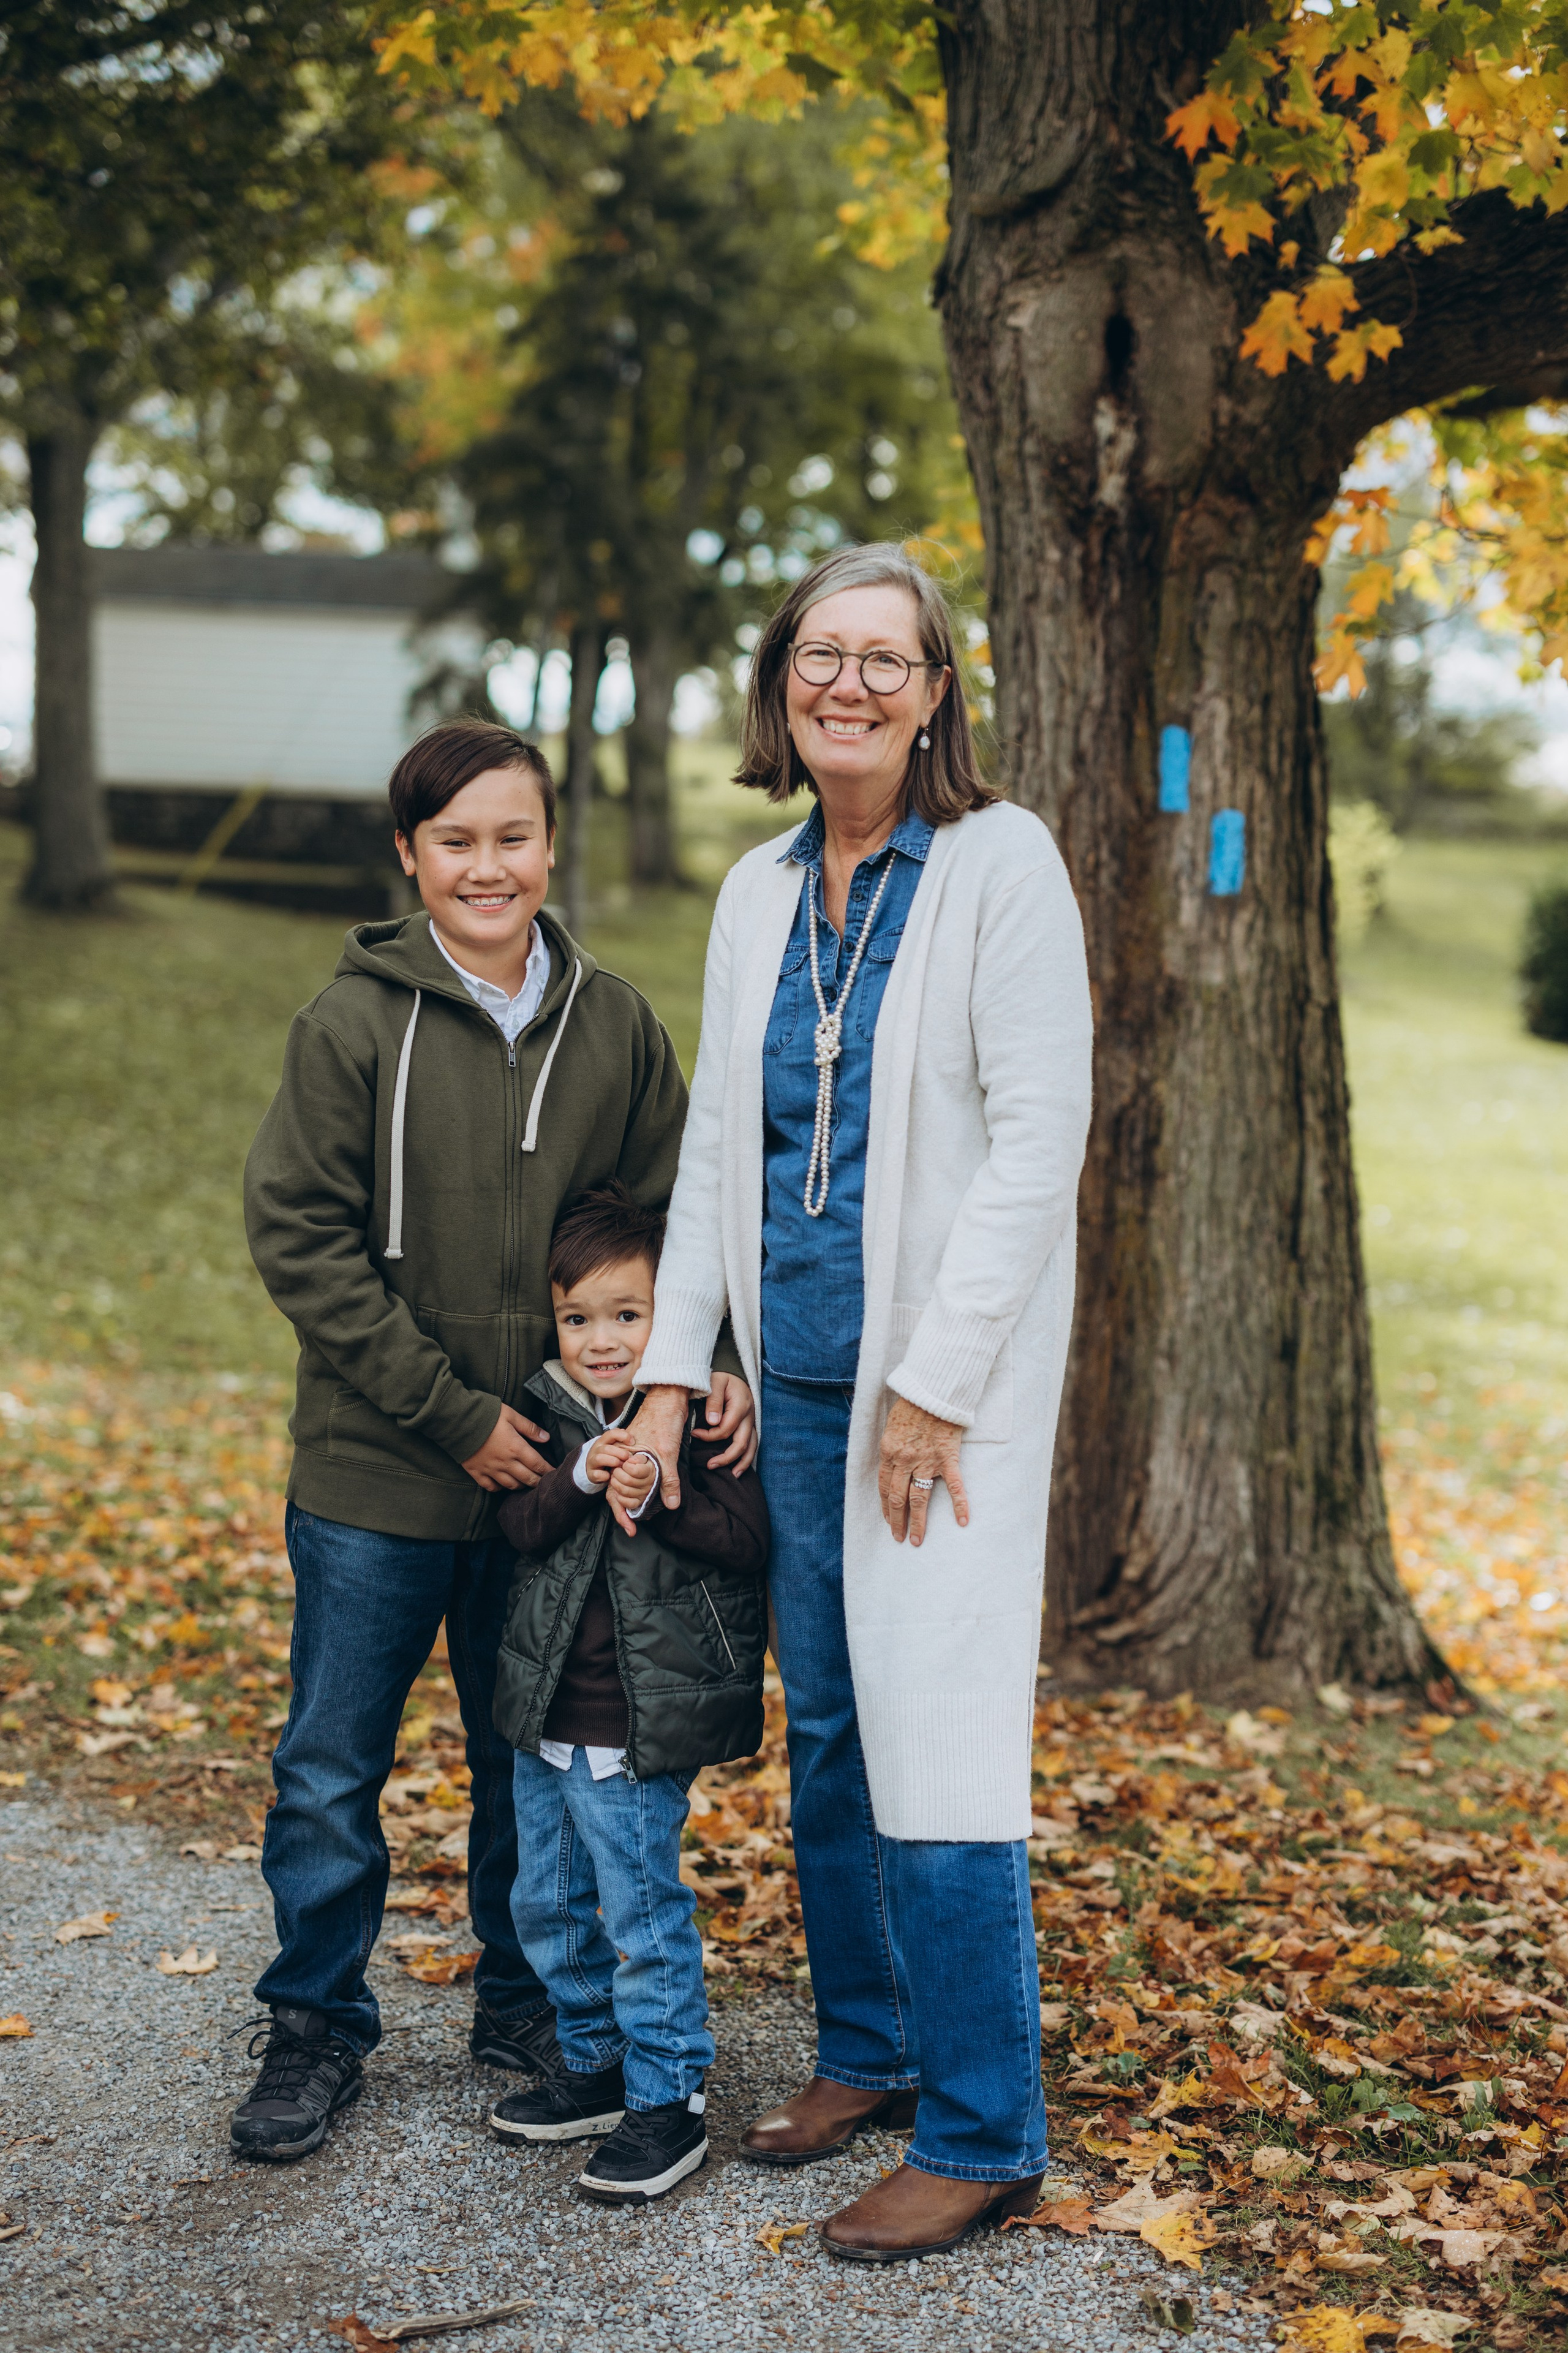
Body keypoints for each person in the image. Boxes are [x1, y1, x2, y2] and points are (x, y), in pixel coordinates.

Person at [625, 544, 1093, 2259]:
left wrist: (933, 1388)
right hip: (795, 1392)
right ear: (782, 682)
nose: (849, 684)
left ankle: (983, 2129)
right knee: (828, 1726)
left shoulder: (998, 862)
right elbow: (716, 1151)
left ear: (936, 691)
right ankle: (870, 2046)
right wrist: (675, 1366)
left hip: (935, 1402)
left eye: (885, 660)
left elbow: (1039, 1142)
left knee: (939, 1735)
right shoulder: (757, 890)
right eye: (821, 654)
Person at [235, 719, 753, 2163]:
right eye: (454, 840)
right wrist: (456, 1415)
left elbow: (677, 1229)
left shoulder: (615, 1027)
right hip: (379, 1470)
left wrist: (697, 1368)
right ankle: (314, 2021)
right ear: (409, 856)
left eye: (512, 837)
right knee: (330, 1764)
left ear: (549, 845)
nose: (486, 866)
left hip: (561, 1484)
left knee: (530, 1754)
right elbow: (299, 1233)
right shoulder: (349, 1026)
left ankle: (535, 2008)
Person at [484, 1183, 770, 2204]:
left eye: (627, 1314)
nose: (600, 1341)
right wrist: (579, 1477)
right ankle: (596, 2061)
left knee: (641, 1916)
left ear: (672, 1318)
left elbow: (749, 1541)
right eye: (577, 1318)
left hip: (634, 1722)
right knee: (547, 1902)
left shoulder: (704, 1416)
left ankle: (668, 2097)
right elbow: (518, 1527)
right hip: (545, 1715)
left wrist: (662, 1491)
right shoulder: (546, 1408)